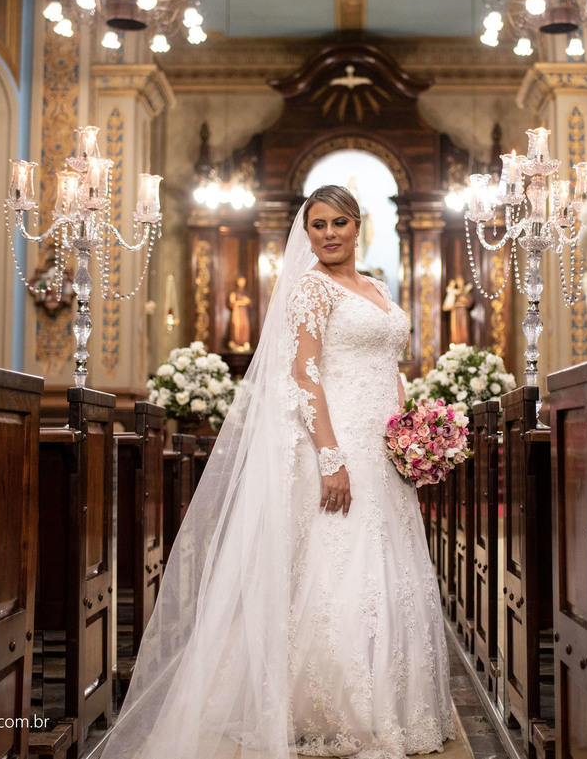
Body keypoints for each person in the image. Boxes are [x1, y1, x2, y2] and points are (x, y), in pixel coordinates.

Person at [99, 185, 454, 759]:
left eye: (339, 222)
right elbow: (305, 375)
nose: (330, 233)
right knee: (339, 562)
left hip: (386, 447)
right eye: (318, 225)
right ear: (306, 233)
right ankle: (336, 708)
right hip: (338, 443)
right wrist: (330, 458)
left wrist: (413, 434)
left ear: (358, 225)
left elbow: (391, 366)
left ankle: (390, 699)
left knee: (387, 562)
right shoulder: (310, 288)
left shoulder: (379, 290)